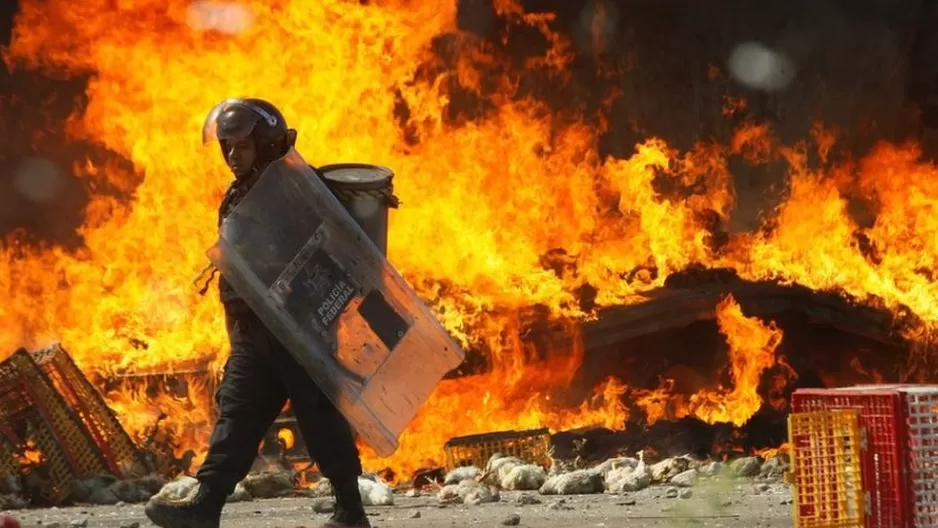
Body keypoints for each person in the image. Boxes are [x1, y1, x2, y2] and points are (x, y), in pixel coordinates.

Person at [144, 98, 371, 528]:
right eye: (227, 148)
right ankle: (205, 505)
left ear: (266, 144)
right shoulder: (237, 194)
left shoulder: (300, 192)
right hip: (254, 333)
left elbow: (326, 258)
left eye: (242, 147)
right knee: (237, 417)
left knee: (321, 420)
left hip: (298, 331)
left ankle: (350, 510)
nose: (232, 157)